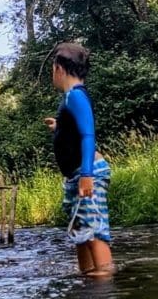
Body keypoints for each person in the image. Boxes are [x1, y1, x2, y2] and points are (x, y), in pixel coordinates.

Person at [44, 42, 113, 277]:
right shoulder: (72, 97)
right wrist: (59, 128)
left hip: (87, 171)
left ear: (59, 69)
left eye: (52, 69)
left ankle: (104, 283)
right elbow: (75, 131)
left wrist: (86, 175)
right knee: (81, 231)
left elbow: (88, 134)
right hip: (77, 174)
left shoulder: (75, 96)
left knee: (93, 230)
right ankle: (88, 278)